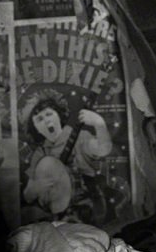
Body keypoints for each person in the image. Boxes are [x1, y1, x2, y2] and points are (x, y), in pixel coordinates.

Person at [21, 91, 113, 222]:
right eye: (39, 119)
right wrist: (38, 185)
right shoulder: (40, 153)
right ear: (36, 128)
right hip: (57, 215)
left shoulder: (80, 137)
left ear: (58, 115)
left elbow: (103, 149)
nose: (46, 120)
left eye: (49, 114)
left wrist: (99, 124)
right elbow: (28, 196)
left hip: (87, 208)